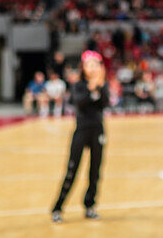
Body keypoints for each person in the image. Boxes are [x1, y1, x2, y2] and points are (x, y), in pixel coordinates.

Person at [52, 51, 109, 223]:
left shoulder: (102, 85)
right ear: (83, 68)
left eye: (95, 65)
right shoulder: (79, 85)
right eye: (89, 65)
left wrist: (99, 86)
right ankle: (58, 207)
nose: (92, 68)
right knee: (72, 170)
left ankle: (90, 205)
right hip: (82, 130)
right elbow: (79, 102)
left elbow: (104, 103)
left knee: (95, 171)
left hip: (97, 130)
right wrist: (91, 87)